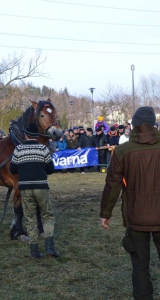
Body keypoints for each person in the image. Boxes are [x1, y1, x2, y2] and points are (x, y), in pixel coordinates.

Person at [100, 106, 160, 299]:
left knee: (140, 266)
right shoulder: (123, 150)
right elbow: (113, 184)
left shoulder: (123, 151)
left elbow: (112, 185)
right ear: (153, 124)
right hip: (143, 216)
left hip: (136, 215)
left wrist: (105, 213)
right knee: (140, 265)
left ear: (133, 125)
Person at [9, 123, 59, 260]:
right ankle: (50, 247)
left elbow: (12, 169)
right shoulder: (43, 149)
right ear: (37, 136)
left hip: (24, 188)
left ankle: (34, 251)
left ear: (25, 135)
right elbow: (50, 169)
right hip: (41, 187)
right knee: (47, 215)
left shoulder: (18, 149)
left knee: (30, 218)